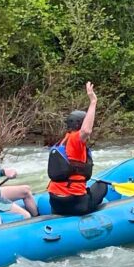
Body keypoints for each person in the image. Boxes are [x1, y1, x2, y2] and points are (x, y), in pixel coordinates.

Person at [47, 82, 106, 216]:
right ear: (80, 124)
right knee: (102, 186)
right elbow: (86, 130)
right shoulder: (75, 140)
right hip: (74, 202)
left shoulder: (62, 141)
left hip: (55, 201)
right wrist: (93, 101)